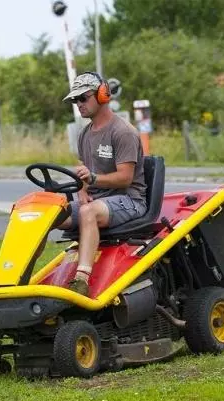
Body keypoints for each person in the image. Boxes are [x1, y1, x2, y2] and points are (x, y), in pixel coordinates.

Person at [58, 72, 147, 296]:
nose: (78, 104)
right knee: (50, 212)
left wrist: (94, 179)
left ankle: (81, 280)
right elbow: (83, 169)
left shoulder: (123, 132)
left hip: (130, 200)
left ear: (102, 94)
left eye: (83, 98)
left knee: (88, 213)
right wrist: (82, 190)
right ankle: (17, 279)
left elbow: (125, 178)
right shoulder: (84, 134)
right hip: (99, 201)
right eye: (74, 100)